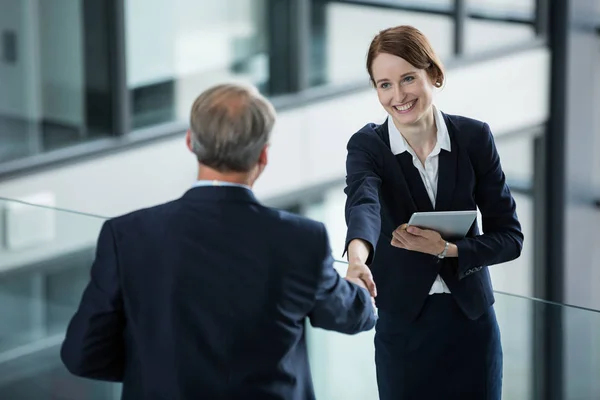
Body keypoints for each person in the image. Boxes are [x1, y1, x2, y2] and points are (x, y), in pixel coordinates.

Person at [61, 83, 377, 400]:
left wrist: (154, 372)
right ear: (263, 154)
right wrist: (359, 286)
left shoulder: (127, 236)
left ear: (190, 142)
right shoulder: (301, 240)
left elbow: (82, 353)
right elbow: (350, 315)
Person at [343, 25, 524, 400]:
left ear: (434, 75)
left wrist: (448, 249)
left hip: (472, 325)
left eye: (408, 78)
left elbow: (510, 238)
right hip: (404, 327)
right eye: (384, 84)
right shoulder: (368, 146)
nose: (398, 95)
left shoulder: (474, 138)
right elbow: (364, 203)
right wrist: (357, 259)